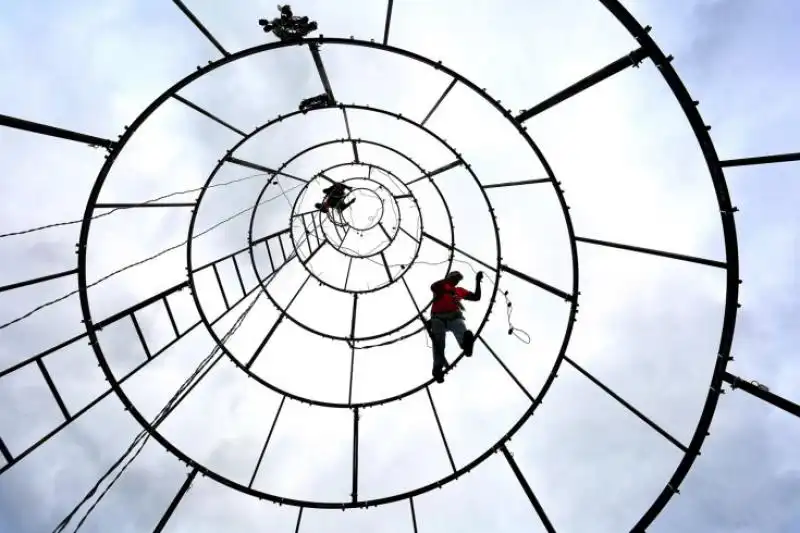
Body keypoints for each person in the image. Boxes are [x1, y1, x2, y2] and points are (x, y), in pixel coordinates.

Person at [428, 270, 483, 383]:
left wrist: (477, 281)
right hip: (438, 317)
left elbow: (476, 297)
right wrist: (447, 280)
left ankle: (465, 344)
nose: (456, 280)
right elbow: (433, 287)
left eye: (457, 279)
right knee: (438, 340)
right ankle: (437, 368)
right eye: (455, 277)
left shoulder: (459, 290)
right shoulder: (442, 285)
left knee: (459, 325)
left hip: (454, 316)